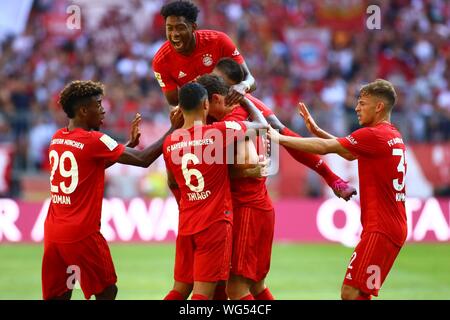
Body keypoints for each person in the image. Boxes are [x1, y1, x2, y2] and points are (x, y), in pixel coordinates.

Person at [42, 80, 183, 300]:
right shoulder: (94, 140)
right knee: (107, 291)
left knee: (60, 294)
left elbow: (88, 167)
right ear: (83, 110)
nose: (103, 110)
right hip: (82, 235)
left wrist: (126, 146)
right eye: (98, 105)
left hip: (53, 232)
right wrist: (174, 129)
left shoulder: (58, 138)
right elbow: (144, 160)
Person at [268, 79, 407, 300]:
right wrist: (317, 130)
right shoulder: (391, 135)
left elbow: (326, 148)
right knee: (361, 293)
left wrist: (278, 138)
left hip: (381, 229)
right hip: (390, 226)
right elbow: (349, 152)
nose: (356, 108)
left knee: (350, 292)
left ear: (379, 107)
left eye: (362, 103)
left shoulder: (373, 135)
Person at [162, 82, 268, 300]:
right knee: (203, 294)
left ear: (179, 108)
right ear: (205, 104)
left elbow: (172, 182)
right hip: (214, 224)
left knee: (179, 289)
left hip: (186, 222)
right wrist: (243, 97)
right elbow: (261, 124)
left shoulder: (170, 141)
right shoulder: (217, 133)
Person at [212, 58, 357, 200]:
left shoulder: (222, 47)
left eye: (219, 81)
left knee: (278, 128)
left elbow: (251, 82)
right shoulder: (203, 99)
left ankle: (332, 178)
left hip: (243, 198)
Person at [196, 74, 274, 300]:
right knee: (257, 286)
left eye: (205, 103)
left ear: (216, 100)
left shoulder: (230, 126)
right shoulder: (246, 121)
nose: (203, 109)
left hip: (247, 209)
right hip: (258, 205)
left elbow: (249, 163)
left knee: (236, 289)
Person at [152, 0, 256, 107]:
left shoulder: (219, 41)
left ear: (193, 27)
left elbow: (251, 81)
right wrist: (198, 88)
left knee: (271, 122)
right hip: (199, 109)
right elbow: (173, 101)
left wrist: (243, 85)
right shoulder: (160, 61)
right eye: (169, 28)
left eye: (180, 28)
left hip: (231, 103)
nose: (174, 34)